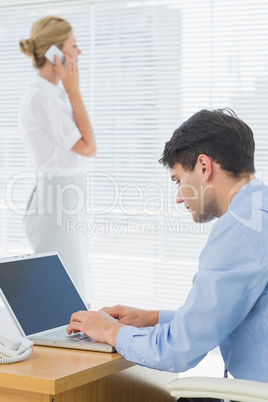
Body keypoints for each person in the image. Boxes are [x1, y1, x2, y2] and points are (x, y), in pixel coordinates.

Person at [67, 108, 268, 400]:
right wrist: (151, 318)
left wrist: (110, 331)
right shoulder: (258, 212)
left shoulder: (240, 230)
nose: (177, 196)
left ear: (203, 166)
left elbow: (179, 349)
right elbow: (234, 317)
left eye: (177, 180)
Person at [19, 16, 96, 303]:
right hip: (57, 197)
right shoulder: (43, 97)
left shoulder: (53, 94)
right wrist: (74, 90)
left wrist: (70, 91)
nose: (78, 53)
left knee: (74, 281)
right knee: (66, 290)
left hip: (65, 194)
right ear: (56, 54)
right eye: (73, 46)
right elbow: (88, 147)